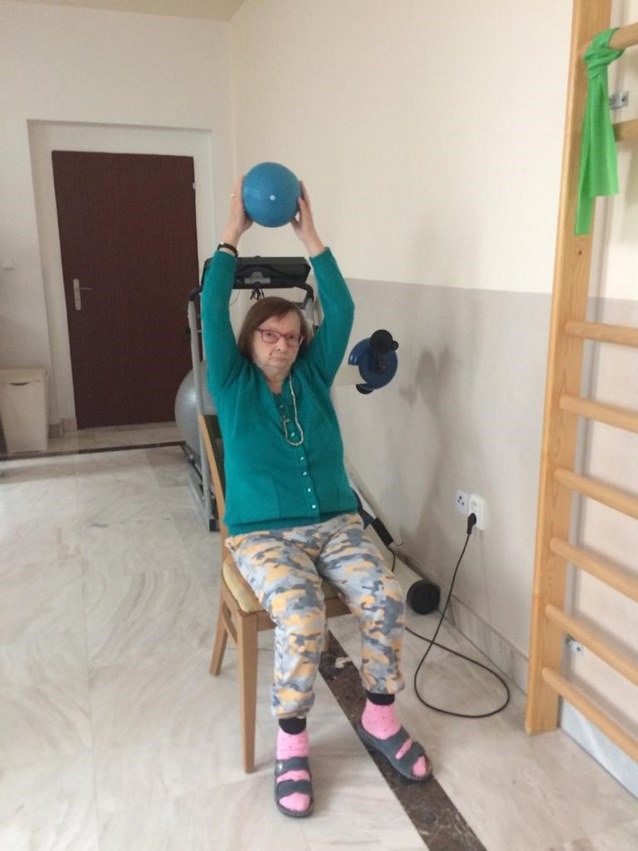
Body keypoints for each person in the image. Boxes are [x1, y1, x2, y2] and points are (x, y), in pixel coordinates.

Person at [202, 179, 431, 818]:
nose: (281, 344)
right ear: (250, 339)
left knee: (385, 595)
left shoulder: (313, 372)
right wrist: (232, 233)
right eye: (269, 335)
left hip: (336, 525)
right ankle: (292, 744)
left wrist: (311, 238)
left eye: (291, 336)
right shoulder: (232, 383)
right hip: (262, 534)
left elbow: (342, 306)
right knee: (302, 617)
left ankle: (380, 718)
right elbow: (214, 305)